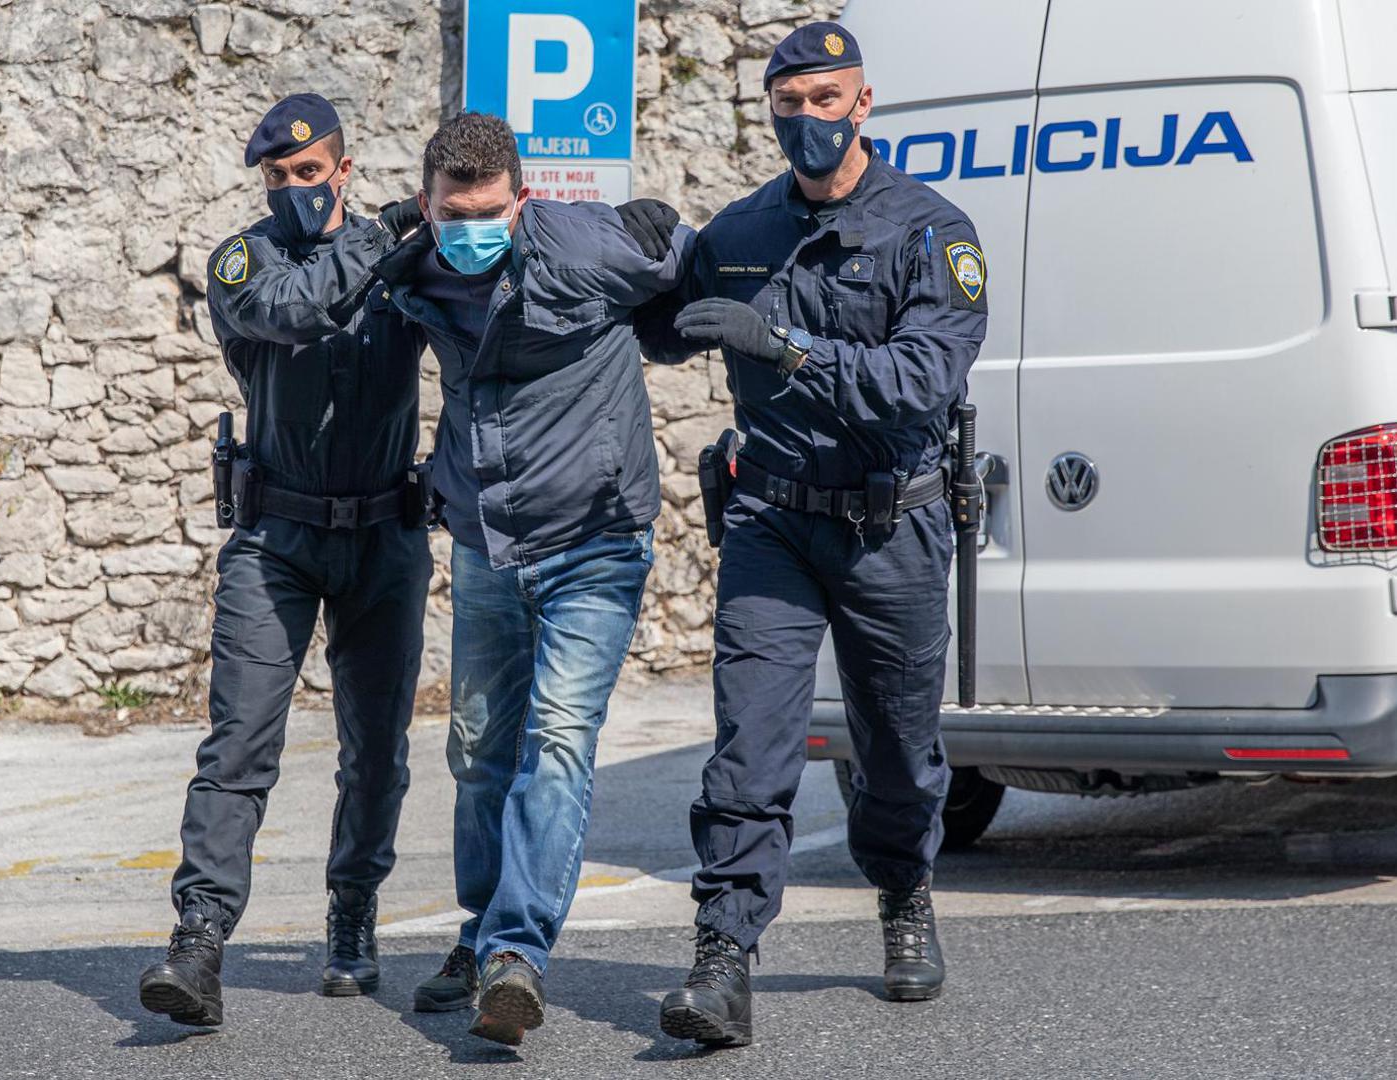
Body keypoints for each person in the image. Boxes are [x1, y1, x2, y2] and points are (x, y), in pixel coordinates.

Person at [636, 21, 989, 1047]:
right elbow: (665, 329)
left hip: (893, 525)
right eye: (787, 104)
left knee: (898, 752)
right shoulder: (740, 230)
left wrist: (785, 347)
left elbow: (921, 380)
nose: (806, 119)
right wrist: (641, 256)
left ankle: (903, 890)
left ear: (862, 103)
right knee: (750, 744)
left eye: (824, 100)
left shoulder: (931, 231)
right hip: (773, 521)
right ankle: (722, 956)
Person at [368, 111, 690, 1046]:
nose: (472, 229)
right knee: (477, 751)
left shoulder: (585, 247)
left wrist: (666, 256)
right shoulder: (413, 263)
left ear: (523, 199)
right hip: (484, 542)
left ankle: (516, 955)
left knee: (555, 740)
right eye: (453, 213)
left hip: (595, 541)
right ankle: (479, 937)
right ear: (426, 204)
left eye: (490, 213)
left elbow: (690, 263)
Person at [137, 93, 431, 1027]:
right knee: (240, 745)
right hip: (278, 541)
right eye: (280, 175)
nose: (296, 187)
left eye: (311, 171)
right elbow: (294, 313)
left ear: (344, 168)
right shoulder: (244, 261)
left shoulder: (404, 257)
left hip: (385, 534)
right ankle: (199, 938)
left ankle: (352, 911)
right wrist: (381, 234)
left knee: (376, 751)